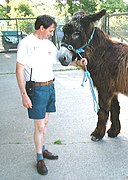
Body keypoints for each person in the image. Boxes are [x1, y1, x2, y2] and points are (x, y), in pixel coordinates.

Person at [16, 15, 59, 175]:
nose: (51, 34)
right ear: (42, 28)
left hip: (49, 87)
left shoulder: (49, 44)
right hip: (36, 89)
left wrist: (78, 62)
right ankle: (39, 157)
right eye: (50, 30)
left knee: (45, 123)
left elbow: (61, 59)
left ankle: (44, 148)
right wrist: (24, 95)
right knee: (39, 126)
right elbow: (19, 70)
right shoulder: (26, 43)